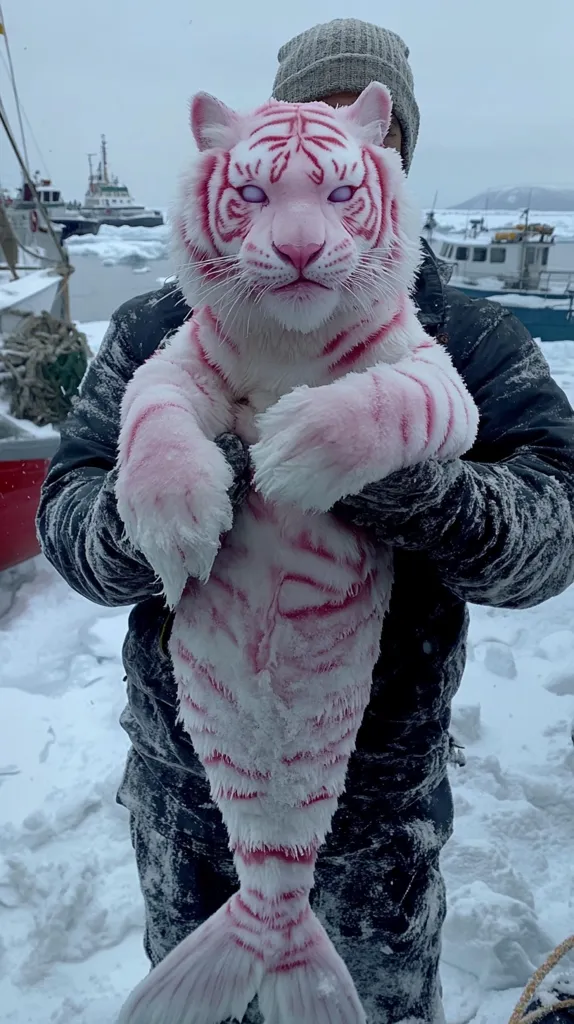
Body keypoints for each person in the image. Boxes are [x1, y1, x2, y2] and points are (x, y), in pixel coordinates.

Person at [36, 18, 574, 1024]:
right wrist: (184, 490)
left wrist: (390, 472)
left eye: (354, 146)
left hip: (375, 825)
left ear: (392, 157)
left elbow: (552, 532)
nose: (300, 217)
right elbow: (69, 516)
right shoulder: (164, 326)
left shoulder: (470, 339)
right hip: (190, 800)